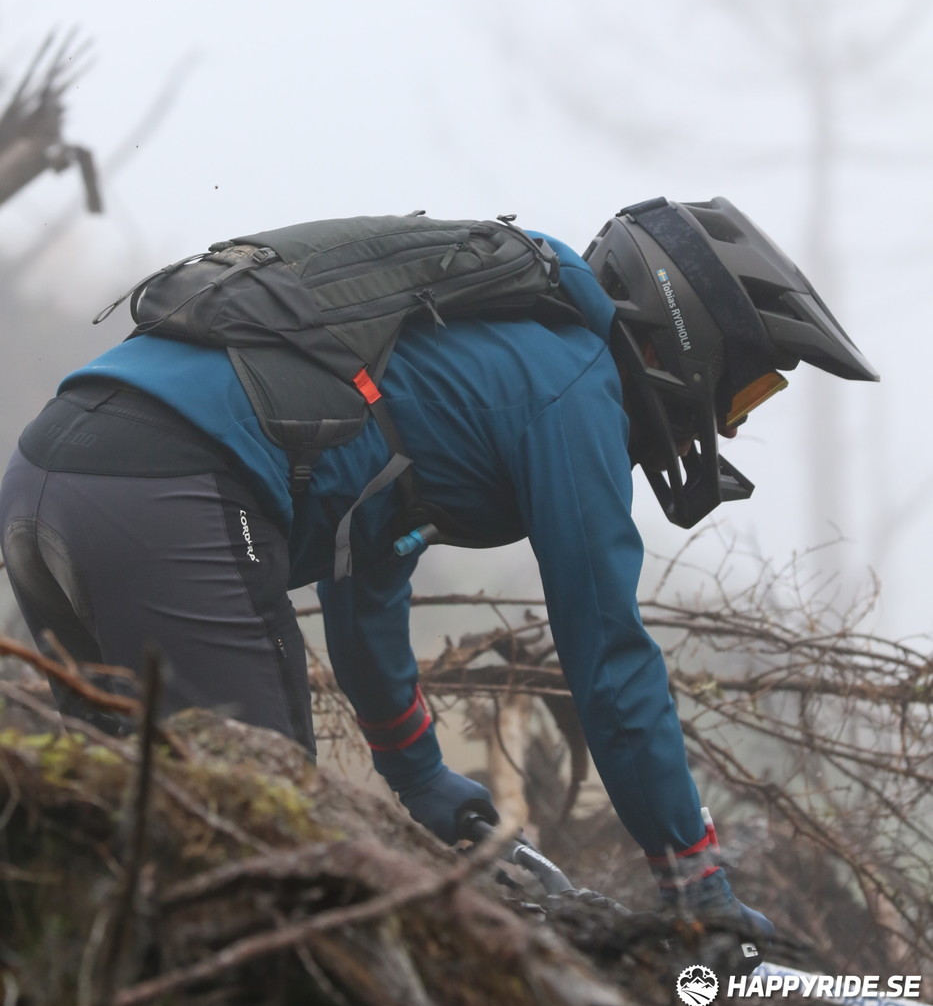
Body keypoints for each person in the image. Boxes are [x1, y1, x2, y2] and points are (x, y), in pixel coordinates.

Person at [0, 196, 877, 934]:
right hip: (165, 489)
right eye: (749, 386)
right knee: (271, 871)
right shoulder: (576, 383)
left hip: (45, 475)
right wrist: (696, 885)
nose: (732, 421)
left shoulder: (488, 347)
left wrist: (416, 769)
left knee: (121, 840)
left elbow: (369, 557)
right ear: (689, 337)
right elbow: (607, 656)